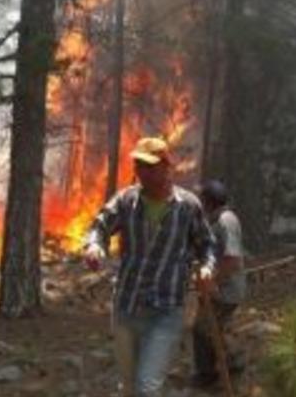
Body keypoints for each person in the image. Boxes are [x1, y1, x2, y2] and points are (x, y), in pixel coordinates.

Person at [83, 137, 217, 397]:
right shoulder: (126, 201)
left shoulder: (188, 206)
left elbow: (207, 245)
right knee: (130, 387)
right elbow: (99, 227)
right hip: (126, 307)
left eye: (149, 165)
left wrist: (207, 268)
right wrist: (94, 246)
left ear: (168, 167)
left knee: (147, 387)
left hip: (165, 311)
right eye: (138, 165)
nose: (142, 171)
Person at [191, 179, 247, 389]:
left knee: (203, 329)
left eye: (203, 199)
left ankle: (214, 373)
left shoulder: (226, 221)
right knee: (212, 329)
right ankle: (224, 367)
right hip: (218, 289)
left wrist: (212, 281)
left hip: (225, 290)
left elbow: (232, 260)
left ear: (209, 201)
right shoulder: (217, 221)